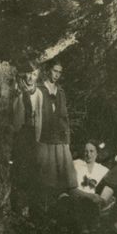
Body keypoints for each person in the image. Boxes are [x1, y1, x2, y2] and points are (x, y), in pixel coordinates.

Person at [36, 60, 78, 193]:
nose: (57, 75)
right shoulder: (39, 88)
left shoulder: (60, 92)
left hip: (59, 138)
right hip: (43, 137)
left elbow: (64, 117)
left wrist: (67, 139)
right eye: (55, 71)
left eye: (60, 72)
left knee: (61, 176)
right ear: (48, 70)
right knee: (44, 175)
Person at [10, 61, 43, 212]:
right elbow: (12, 110)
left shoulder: (39, 93)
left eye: (34, 74)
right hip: (19, 131)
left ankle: (25, 204)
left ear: (38, 76)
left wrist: (38, 137)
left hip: (32, 133)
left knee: (29, 167)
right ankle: (13, 200)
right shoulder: (17, 88)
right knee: (17, 164)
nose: (31, 77)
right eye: (29, 73)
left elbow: (40, 116)